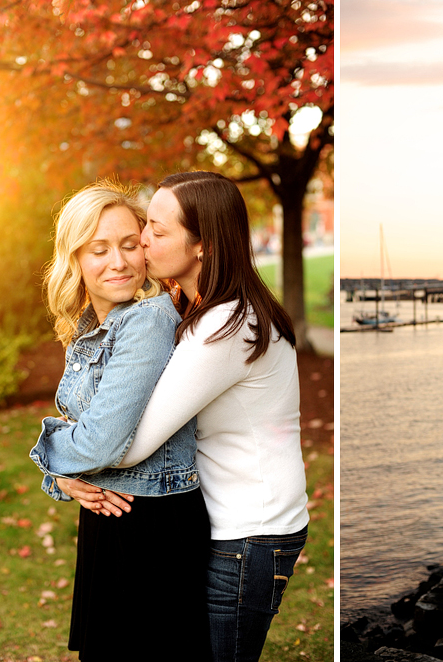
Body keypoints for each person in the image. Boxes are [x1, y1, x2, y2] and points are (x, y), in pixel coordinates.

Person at [60, 171, 310, 662]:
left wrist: (61, 465)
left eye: (157, 229)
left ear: (203, 245)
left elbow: (127, 442)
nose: (143, 241)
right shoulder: (202, 309)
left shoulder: (222, 327)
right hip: (235, 521)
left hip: (250, 533)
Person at [28, 180, 212, 661]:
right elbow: (91, 443)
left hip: (152, 524)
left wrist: (52, 463)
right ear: (76, 260)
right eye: (99, 249)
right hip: (111, 516)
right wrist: (64, 479)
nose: (119, 262)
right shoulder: (92, 327)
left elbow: (99, 444)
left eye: (131, 245)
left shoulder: (147, 321)